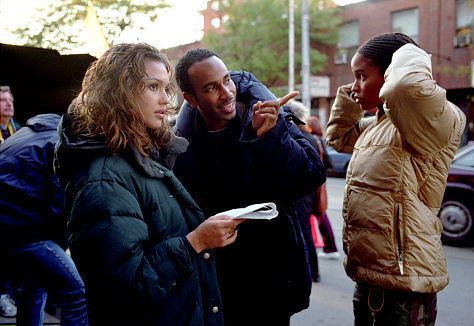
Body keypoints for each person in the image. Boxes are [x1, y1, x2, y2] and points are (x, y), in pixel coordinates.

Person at [53, 43, 244, 326]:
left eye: (166, 88)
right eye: (153, 87)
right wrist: (196, 241)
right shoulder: (105, 175)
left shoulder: (141, 155)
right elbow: (125, 286)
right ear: (120, 93)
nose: (166, 100)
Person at [173, 48, 326, 326]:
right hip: (215, 282)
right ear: (191, 99)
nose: (226, 92)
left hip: (270, 280)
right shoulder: (178, 142)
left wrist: (269, 138)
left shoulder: (264, 115)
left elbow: (310, 177)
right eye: (211, 88)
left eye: (227, 80)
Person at [326, 32, 466, 325]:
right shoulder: (377, 125)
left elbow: (405, 87)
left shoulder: (440, 119)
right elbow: (337, 137)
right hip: (369, 276)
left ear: (391, 73)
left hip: (404, 286)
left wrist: (411, 52)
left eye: (362, 76)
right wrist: (354, 94)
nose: (355, 87)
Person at [0, 113, 88, 325]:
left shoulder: (26, 133)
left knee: (36, 284)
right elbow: (59, 205)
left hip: (9, 227)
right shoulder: (61, 144)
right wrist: (66, 243)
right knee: (77, 293)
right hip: (20, 232)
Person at [284, 100, 322, 283]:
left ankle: (311, 271)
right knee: (305, 230)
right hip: (311, 190)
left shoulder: (296, 137)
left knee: (303, 232)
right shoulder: (312, 138)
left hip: (300, 191)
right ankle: (312, 271)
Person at [0, 85, 21, 319]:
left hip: (13, 202)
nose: (8, 104)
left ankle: (9, 292)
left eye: (10, 100)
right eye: (3, 100)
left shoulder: (18, 130)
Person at [306, 116, 340, 260]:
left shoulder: (312, 139)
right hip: (318, 183)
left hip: (313, 185)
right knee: (320, 213)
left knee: (319, 214)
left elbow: (326, 162)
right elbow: (328, 162)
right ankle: (330, 248)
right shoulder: (319, 140)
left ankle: (330, 248)